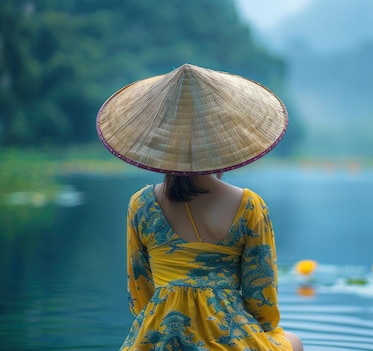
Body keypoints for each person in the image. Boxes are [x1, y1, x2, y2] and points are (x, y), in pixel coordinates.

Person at [96, 63, 304, 351]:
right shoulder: (249, 206)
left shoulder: (141, 205)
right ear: (225, 142)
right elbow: (262, 300)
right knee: (293, 342)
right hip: (229, 340)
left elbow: (140, 292)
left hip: (160, 336)